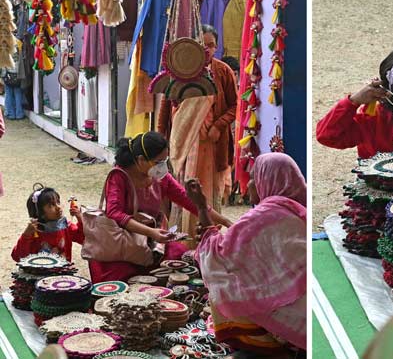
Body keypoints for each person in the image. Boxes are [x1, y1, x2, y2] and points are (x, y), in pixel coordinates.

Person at [190, 153, 306, 357]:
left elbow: (219, 257)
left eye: (253, 177)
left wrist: (201, 207)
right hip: (304, 320)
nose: (249, 183)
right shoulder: (296, 210)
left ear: (267, 179)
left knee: (223, 284)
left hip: (293, 328)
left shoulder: (266, 214)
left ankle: (269, 344)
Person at [89, 131, 232, 282]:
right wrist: (151, 232)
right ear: (141, 160)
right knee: (124, 282)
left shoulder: (161, 178)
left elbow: (191, 202)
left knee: (183, 259)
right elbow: (114, 213)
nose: (163, 167)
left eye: (165, 161)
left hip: (152, 242)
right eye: (159, 162)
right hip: (122, 245)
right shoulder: (119, 176)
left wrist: (227, 222)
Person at [157, 24, 238, 236]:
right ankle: (184, 237)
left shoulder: (223, 71)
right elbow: (165, 108)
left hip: (212, 143)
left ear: (217, 47)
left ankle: (209, 239)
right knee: (183, 188)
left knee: (208, 191)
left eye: (212, 46)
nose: (208, 50)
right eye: (203, 45)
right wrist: (159, 139)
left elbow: (235, 106)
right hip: (183, 143)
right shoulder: (180, 69)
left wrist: (218, 125)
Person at [11, 185, 84, 261]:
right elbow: (17, 257)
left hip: (63, 272)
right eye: (51, 205)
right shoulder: (34, 232)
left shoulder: (66, 226)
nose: (58, 207)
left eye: (58, 202)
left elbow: (83, 239)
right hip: (38, 272)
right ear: (40, 213)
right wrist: (26, 235)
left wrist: (80, 218)